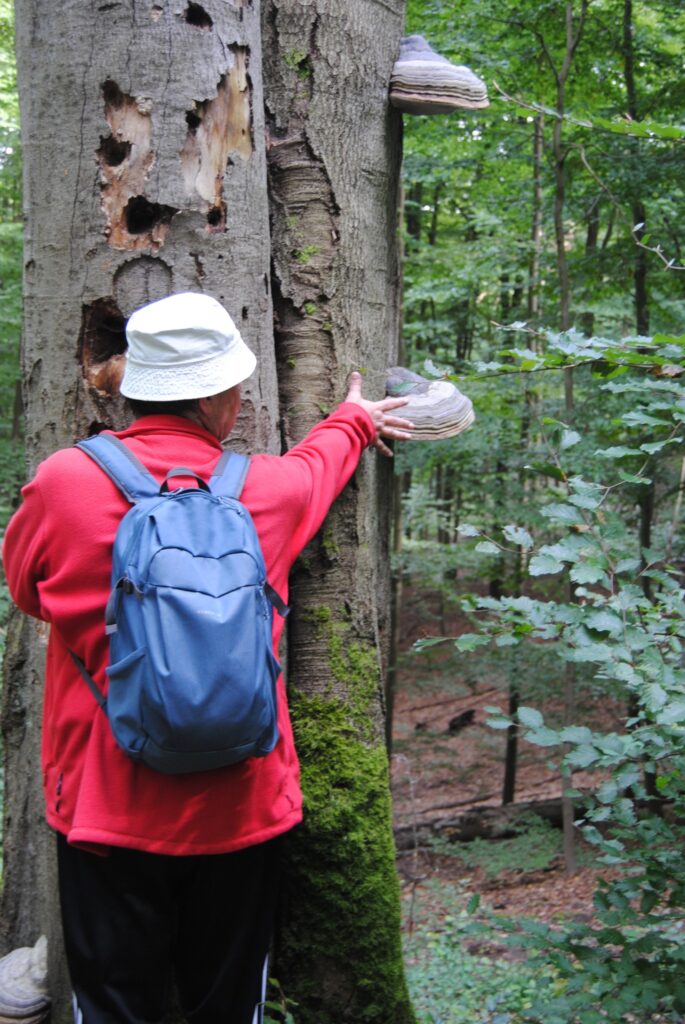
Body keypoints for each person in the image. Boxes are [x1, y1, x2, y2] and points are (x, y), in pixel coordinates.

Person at [2, 291, 413, 1024]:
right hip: (241, 812)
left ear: (134, 387)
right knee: (227, 1009)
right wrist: (355, 417)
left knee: (113, 1009)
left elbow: (27, 592)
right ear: (225, 395)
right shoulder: (268, 492)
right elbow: (320, 466)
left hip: (104, 813)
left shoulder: (62, 483)